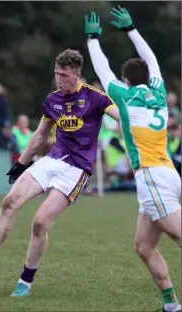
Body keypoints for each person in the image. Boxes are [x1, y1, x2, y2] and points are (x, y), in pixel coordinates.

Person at [0, 49, 119, 296]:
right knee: (9, 202)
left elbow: (122, 117)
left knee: (40, 223)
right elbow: (40, 135)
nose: (58, 80)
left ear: (76, 74)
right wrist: (22, 163)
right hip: (52, 160)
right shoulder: (53, 100)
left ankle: (25, 282)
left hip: (76, 169)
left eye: (63, 75)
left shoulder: (96, 98)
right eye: (56, 74)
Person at [85, 7, 181, 312]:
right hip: (166, 173)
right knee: (143, 246)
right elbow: (152, 59)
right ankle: (171, 306)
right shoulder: (158, 90)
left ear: (126, 81)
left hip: (151, 176)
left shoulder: (124, 97)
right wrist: (131, 31)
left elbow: (102, 70)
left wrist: (92, 38)